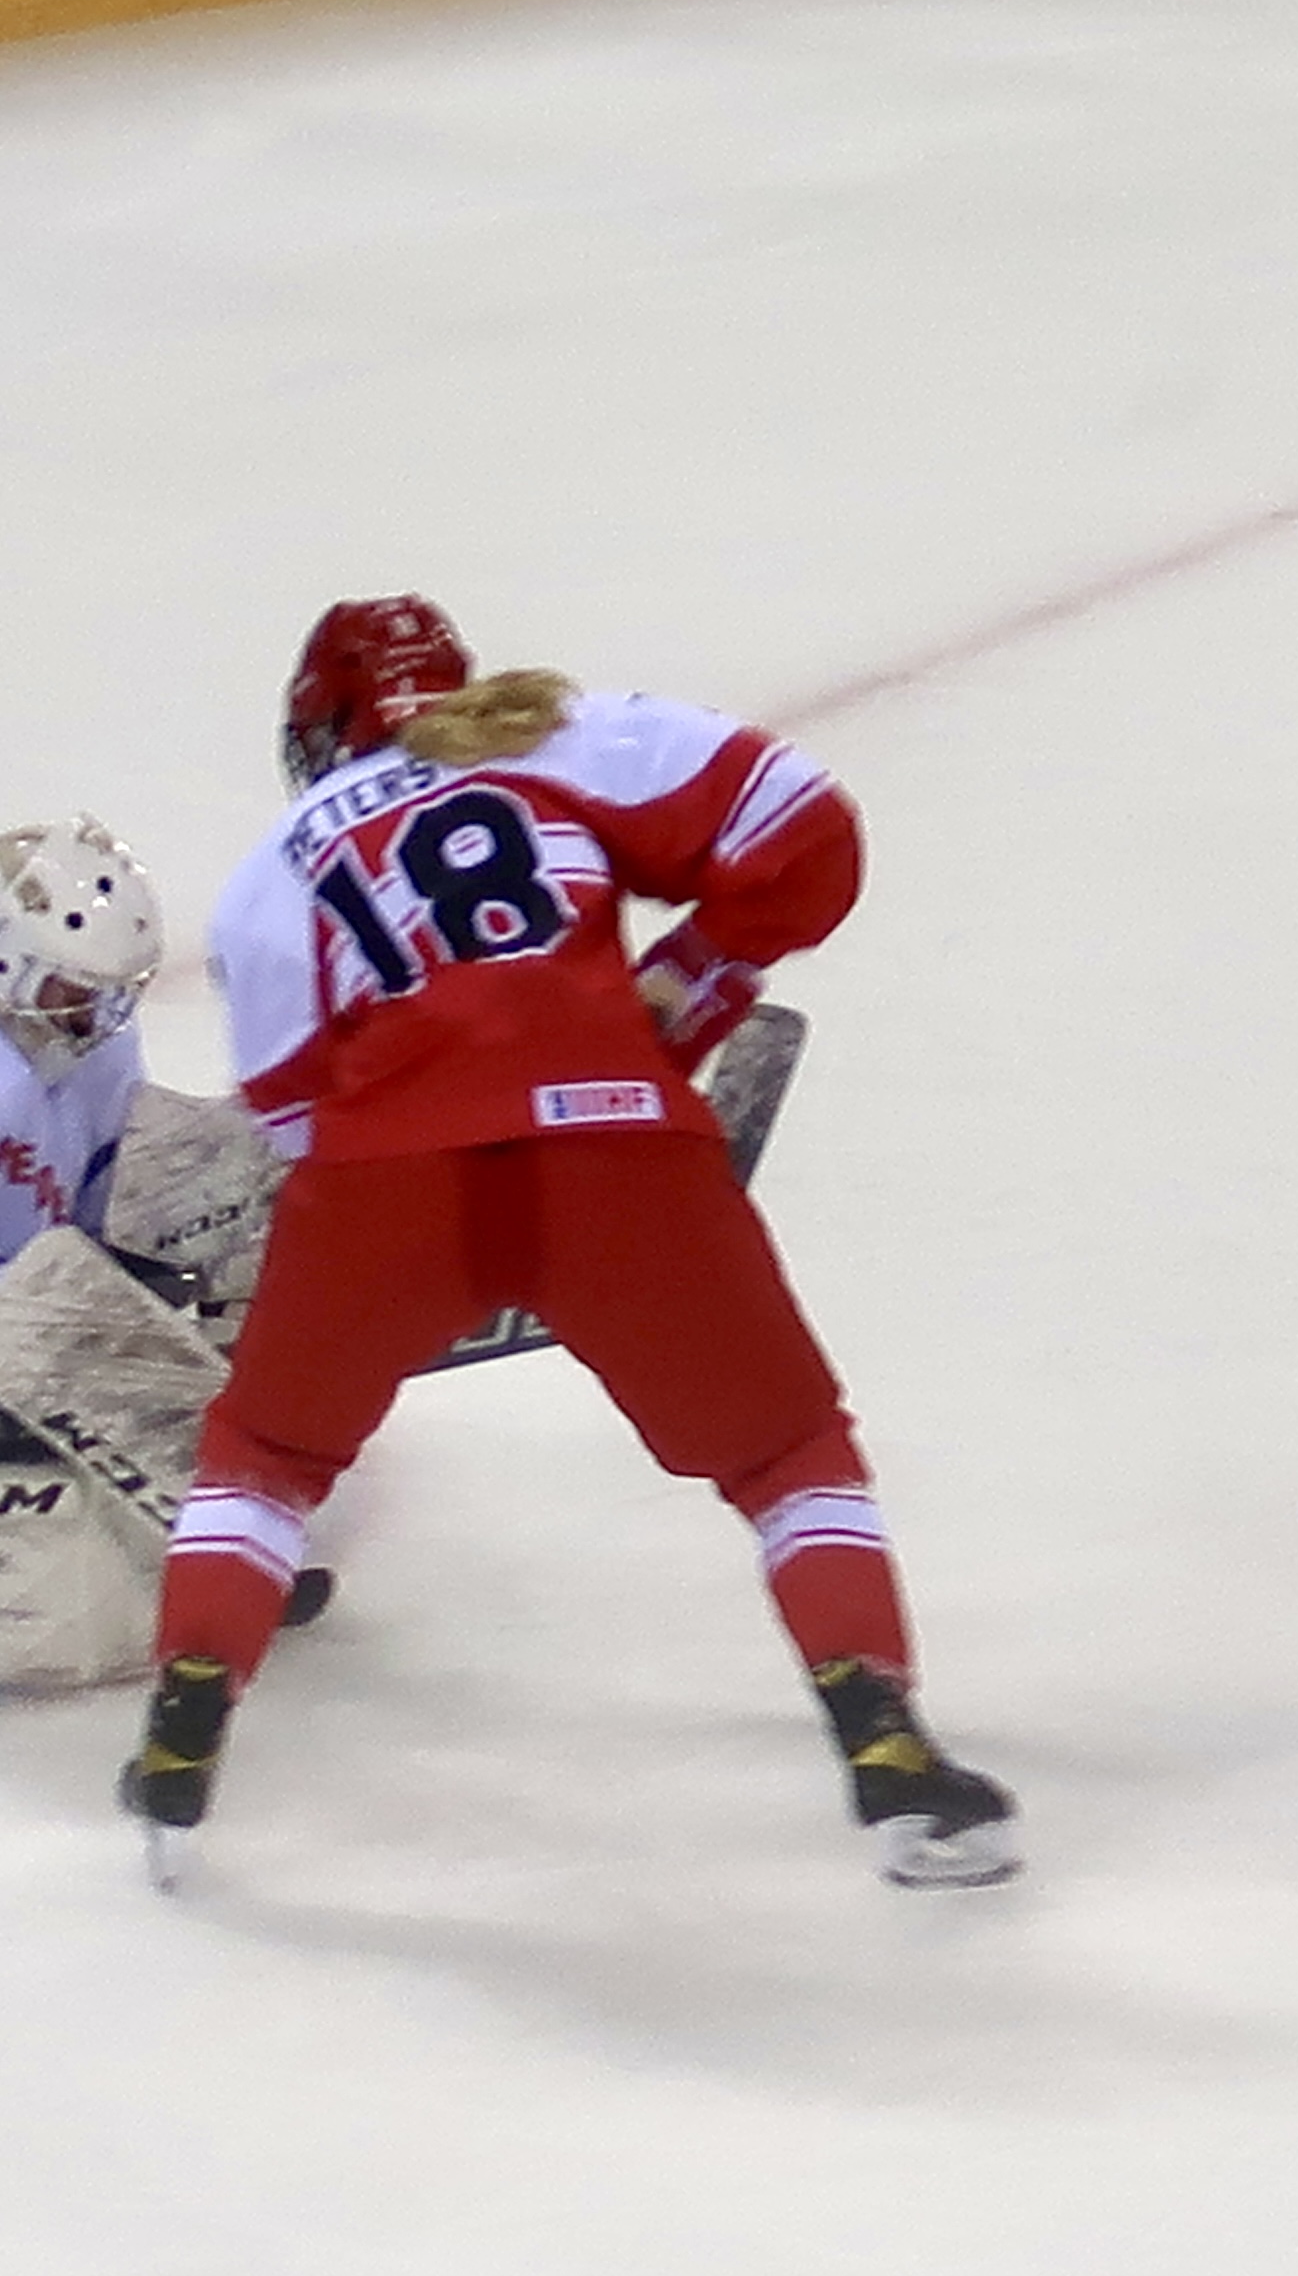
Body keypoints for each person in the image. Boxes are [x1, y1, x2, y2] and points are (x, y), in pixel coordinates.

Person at [112, 599, 1017, 1891]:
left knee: (266, 1456)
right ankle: (886, 1744)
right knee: (787, 1455)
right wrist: (691, 983)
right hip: (617, 1148)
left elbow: (292, 1109)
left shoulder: (271, 869)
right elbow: (804, 831)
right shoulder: (557, 736)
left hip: (386, 1180)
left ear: (318, 733)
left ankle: (184, 1726)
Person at [0, 815, 329, 1690]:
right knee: (103, 1339)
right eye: (74, 990)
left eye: (114, 993)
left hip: (35, 1289)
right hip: (19, 1315)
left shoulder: (90, 1045)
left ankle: (227, 1479)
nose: (98, 1015)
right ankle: (219, 1536)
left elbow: (107, 1188)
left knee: (253, 1162)